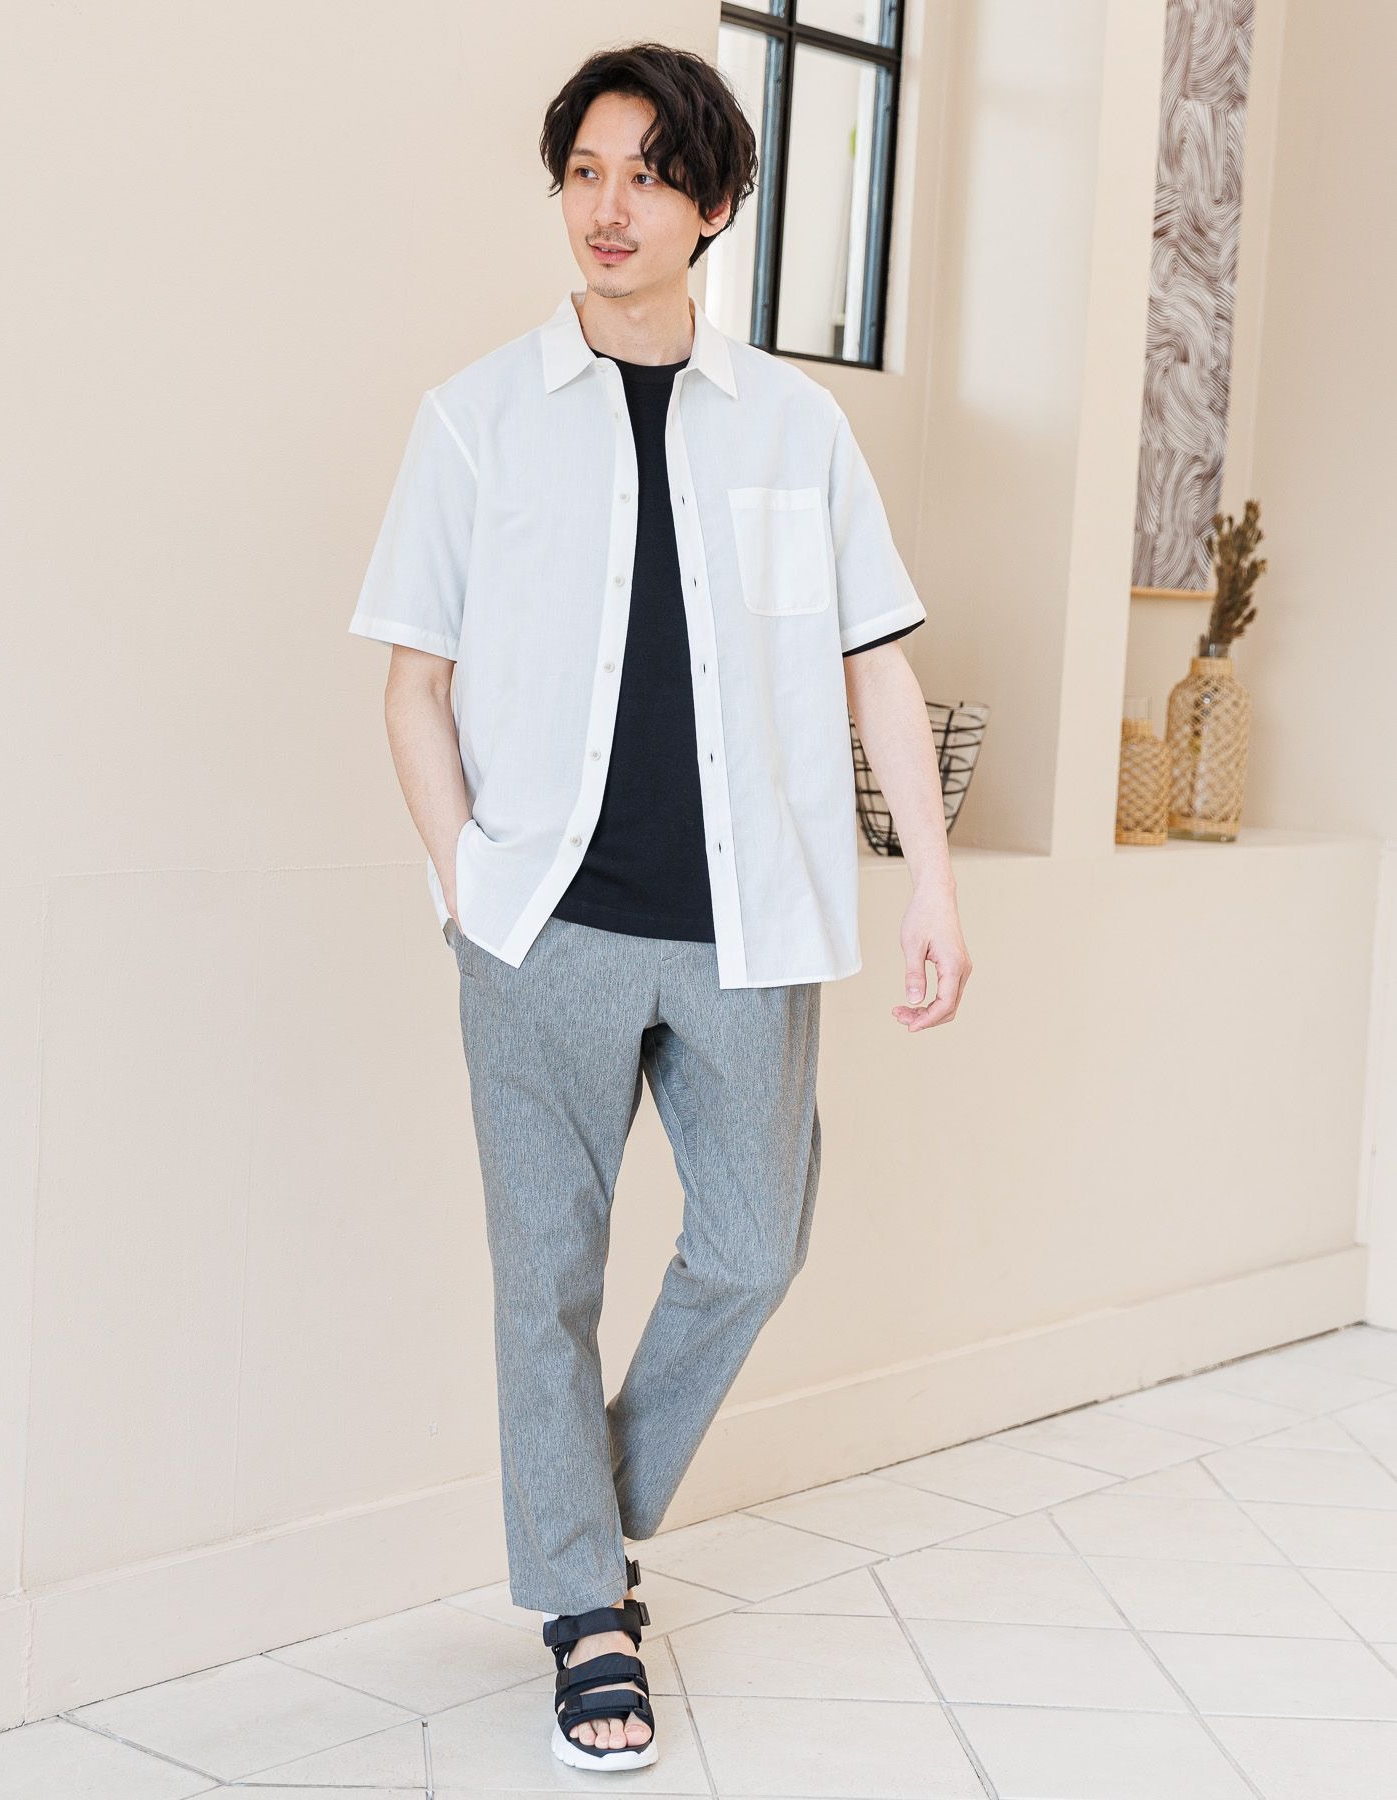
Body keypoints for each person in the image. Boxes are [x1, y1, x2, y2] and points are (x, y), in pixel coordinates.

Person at [348, 38, 971, 1774]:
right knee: (543, 1276)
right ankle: (586, 1615)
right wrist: (470, 888)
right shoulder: (476, 418)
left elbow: (876, 667)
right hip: (540, 925)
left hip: (747, 925)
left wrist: (929, 881)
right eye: (583, 172)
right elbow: (412, 683)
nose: (608, 207)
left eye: (646, 175)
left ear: (713, 204)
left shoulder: (794, 427)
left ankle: (582, 1515)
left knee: (755, 1243)